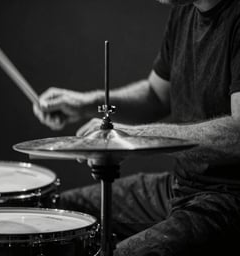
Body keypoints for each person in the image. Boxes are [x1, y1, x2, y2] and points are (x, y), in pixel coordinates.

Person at [33, 0, 240, 255]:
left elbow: (237, 133)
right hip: (182, 185)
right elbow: (156, 95)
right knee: (56, 213)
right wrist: (87, 103)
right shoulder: (184, 10)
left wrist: (131, 135)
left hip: (229, 197)